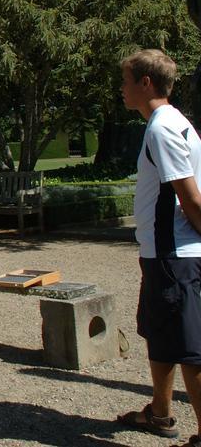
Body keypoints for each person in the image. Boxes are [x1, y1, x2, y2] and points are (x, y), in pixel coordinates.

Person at [117, 49, 201, 447]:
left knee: (190, 348)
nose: (121, 89)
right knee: (162, 334)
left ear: (145, 83)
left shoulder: (161, 129)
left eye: (125, 81)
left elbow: (190, 199)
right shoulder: (174, 122)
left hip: (175, 257)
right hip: (164, 256)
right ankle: (160, 412)